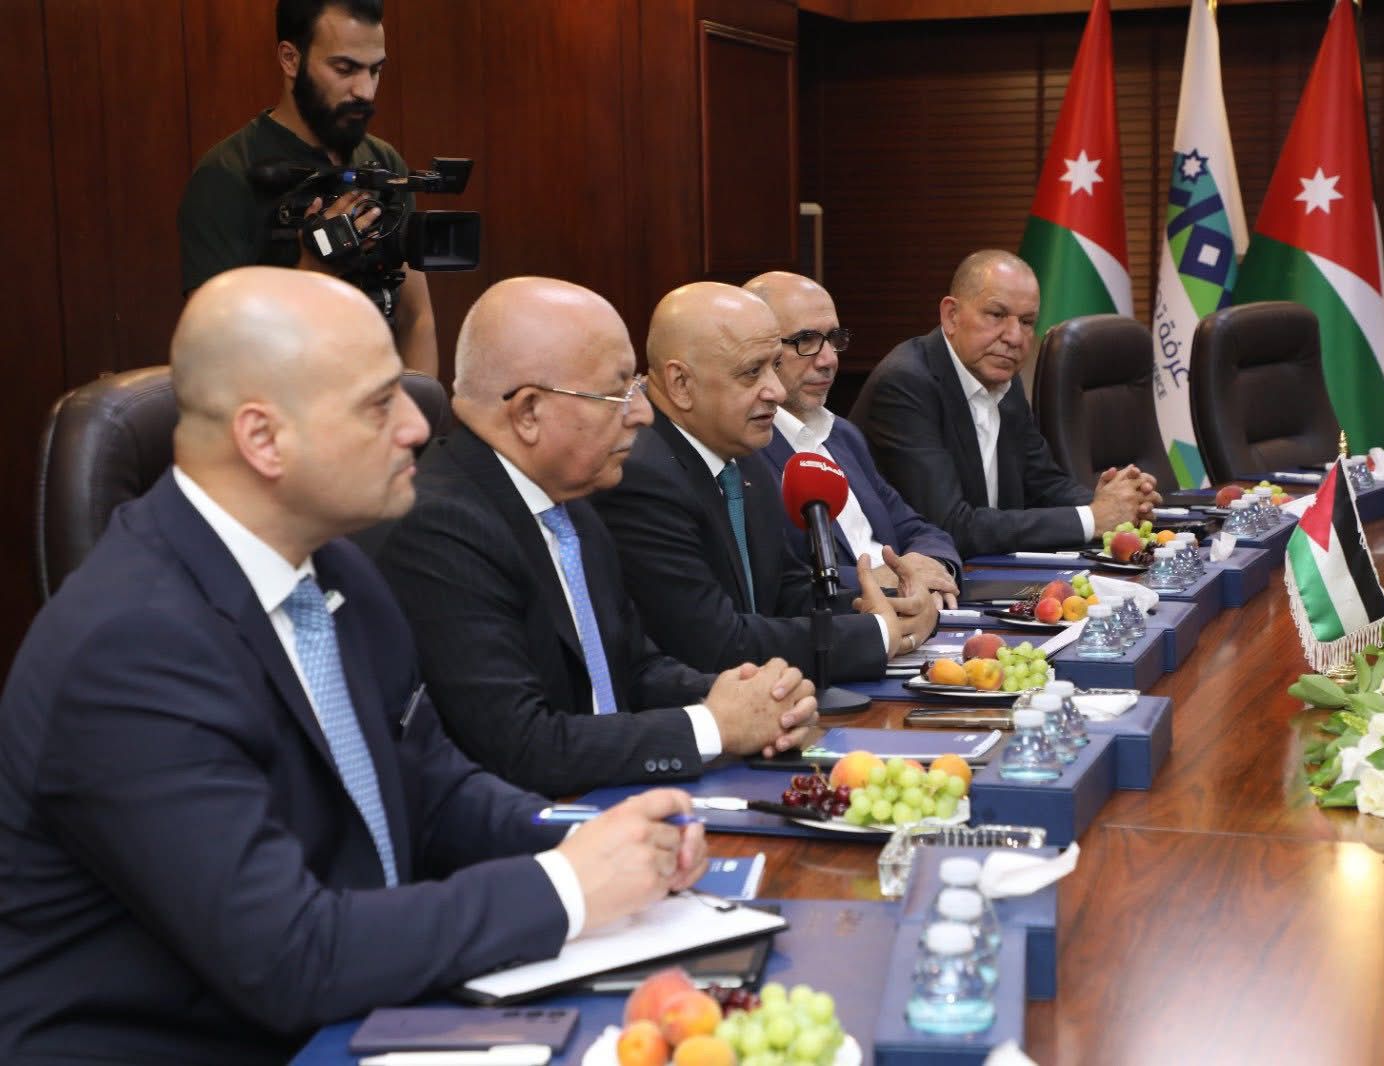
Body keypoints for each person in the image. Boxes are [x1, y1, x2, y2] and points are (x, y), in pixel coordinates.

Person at [0, 267, 704, 1063]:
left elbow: (434, 791)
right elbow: (288, 957)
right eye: (379, 404)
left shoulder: (334, 571)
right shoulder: (131, 648)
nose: (416, 425)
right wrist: (568, 886)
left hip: (360, 1010)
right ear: (263, 439)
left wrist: (595, 838)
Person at [372, 278, 819, 796]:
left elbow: (632, 667)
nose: (642, 413)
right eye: (618, 393)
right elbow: (519, 746)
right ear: (529, 412)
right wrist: (712, 726)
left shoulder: (572, 502)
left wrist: (745, 695)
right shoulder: (441, 527)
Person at [591, 282, 938, 681]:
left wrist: (898, 608)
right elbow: (713, 645)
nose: (775, 390)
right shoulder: (641, 476)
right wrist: (876, 634)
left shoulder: (743, 454)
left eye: (774, 366)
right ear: (681, 384)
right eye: (752, 372)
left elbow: (788, 595)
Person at [177, 0, 438, 375]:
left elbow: (417, 316)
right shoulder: (227, 174)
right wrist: (313, 270)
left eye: (375, 70)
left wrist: (419, 406)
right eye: (344, 69)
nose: (365, 91)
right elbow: (215, 346)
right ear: (290, 59)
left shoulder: (384, 163)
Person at [850, 249, 1160, 557]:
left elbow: (1043, 484)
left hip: (991, 566)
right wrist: (1093, 518)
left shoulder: (1001, 378)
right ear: (951, 316)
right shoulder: (906, 384)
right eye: (996, 315)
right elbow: (948, 527)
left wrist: (1113, 501)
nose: (1014, 337)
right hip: (917, 576)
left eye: (1026, 321)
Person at [745, 271, 962, 609]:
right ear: (760, 351)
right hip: (850, 621)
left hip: (919, 610)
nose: (829, 359)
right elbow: (779, 581)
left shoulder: (843, 435)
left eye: (834, 338)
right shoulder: (747, 451)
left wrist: (933, 566)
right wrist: (881, 579)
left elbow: (916, 528)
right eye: (806, 340)